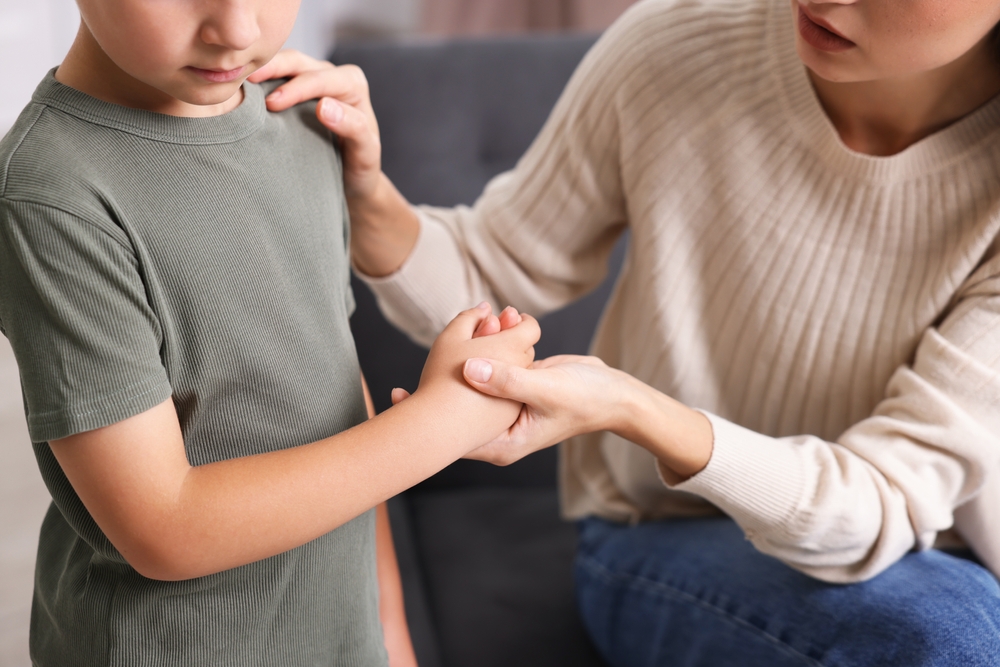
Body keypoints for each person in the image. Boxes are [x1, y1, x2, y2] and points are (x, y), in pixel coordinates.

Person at [256, 0, 1000, 663]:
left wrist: (631, 406)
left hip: (916, 545)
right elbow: (492, 276)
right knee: (950, 634)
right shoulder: (677, 44)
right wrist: (365, 194)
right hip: (662, 534)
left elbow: (875, 511)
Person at [0, 1, 542, 666]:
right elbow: (164, 527)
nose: (236, 30)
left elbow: (337, 394)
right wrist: (443, 423)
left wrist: (386, 628)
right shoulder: (51, 195)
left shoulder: (304, 120)